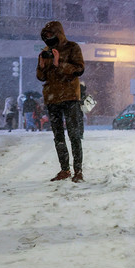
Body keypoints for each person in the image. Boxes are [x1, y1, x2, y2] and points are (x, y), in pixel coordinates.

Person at [36, 20, 86, 182]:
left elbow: (79, 69)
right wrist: (42, 66)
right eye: (46, 36)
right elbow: (40, 77)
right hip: (52, 99)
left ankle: (78, 171)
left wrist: (59, 63)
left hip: (70, 97)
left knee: (74, 135)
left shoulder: (72, 47)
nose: (48, 38)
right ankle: (64, 170)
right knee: (58, 136)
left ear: (58, 33)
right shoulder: (46, 51)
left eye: (51, 34)